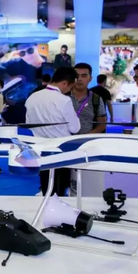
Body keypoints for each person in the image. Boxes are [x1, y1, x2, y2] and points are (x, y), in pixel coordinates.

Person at [25, 67, 81, 196]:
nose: (69, 90)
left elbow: (28, 123)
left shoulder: (32, 97)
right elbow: (75, 128)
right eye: (70, 87)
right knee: (60, 189)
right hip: (61, 150)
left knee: (46, 186)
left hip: (41, 149)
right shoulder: (63, 100)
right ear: (65, 83)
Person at [70, 63, 106, 134]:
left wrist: (86, 136)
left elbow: (102, 125)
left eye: (84, 76)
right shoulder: (62, 97)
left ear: (90, 79)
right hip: (64, 139)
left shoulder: (96, 99)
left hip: (87, 140)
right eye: (76, 76)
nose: (79, 79)